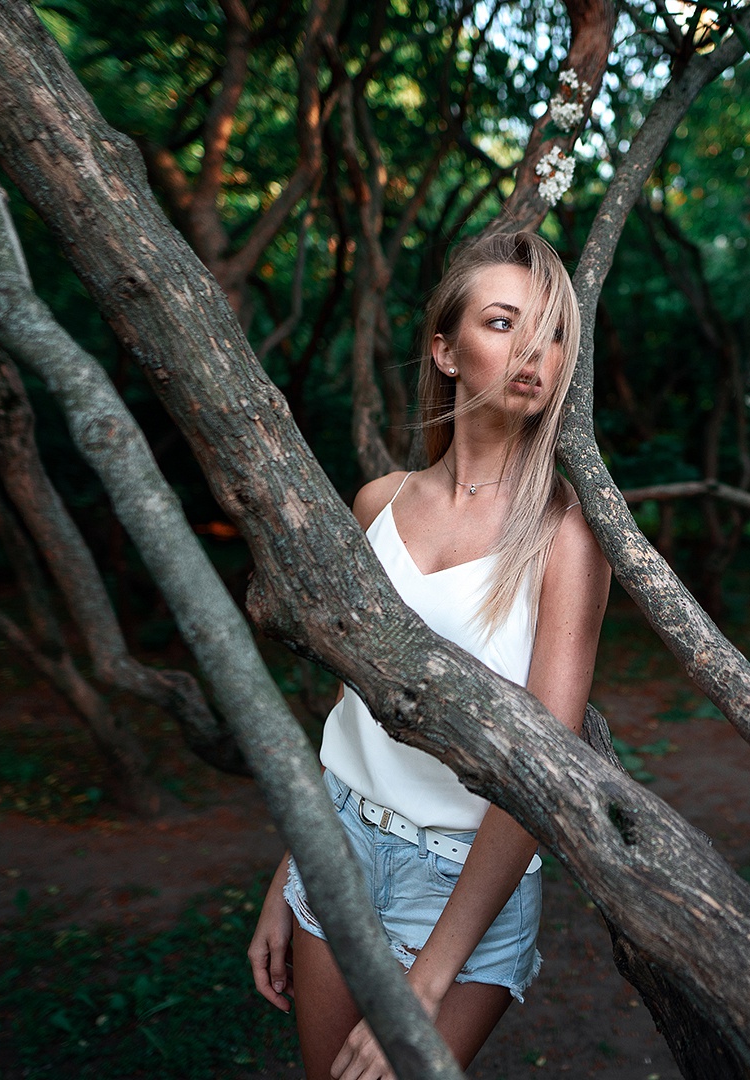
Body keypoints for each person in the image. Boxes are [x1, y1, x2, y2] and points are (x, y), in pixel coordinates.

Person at [246, 232, 611, 1080]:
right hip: (335, 840)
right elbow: (350, 716)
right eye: (502, 322)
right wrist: (291, 869)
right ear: (445, 350)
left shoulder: (565, 535)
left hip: (462, 877)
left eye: (553, 333)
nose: (532, 350)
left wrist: (432, 974)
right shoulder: (377, 502)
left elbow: (543, 771)